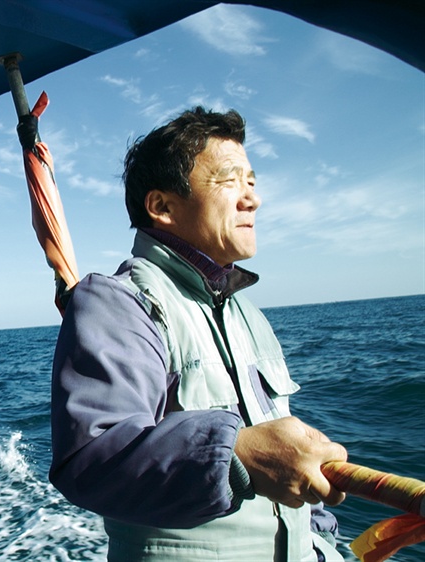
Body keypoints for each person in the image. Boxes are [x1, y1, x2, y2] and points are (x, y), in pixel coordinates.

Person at [48, 107, 349, 561]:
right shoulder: (117, 303)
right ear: (162, 206)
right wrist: (239, 455)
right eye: (230, 181)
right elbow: (92, 460)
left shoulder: (248, 313)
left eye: (252, 181)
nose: (253, 199)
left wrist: (322, 542)